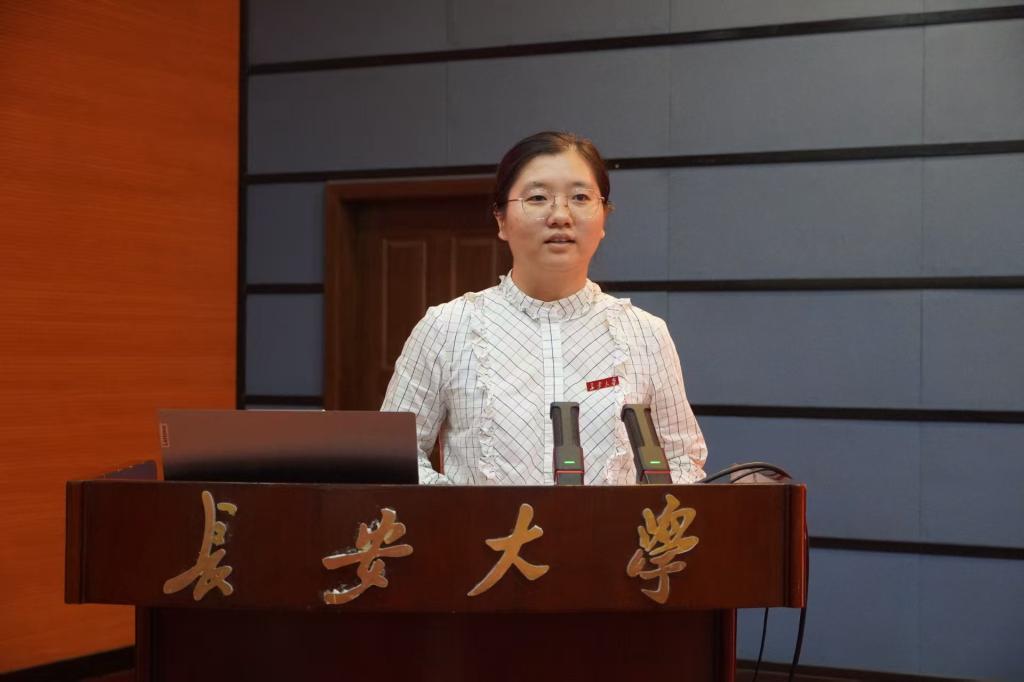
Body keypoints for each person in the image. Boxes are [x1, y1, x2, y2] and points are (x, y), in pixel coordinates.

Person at [381, 131, 707, 485]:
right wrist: (463, 508)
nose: (560, 215)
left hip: (611, 526)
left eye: (580, 197)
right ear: (501, 219)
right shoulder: (447, 328)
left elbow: (682, 459)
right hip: (482, 524)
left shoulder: (645, 334)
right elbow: (395, 455)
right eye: (538, 198)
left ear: (603, 219)